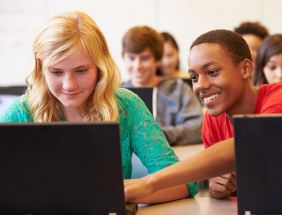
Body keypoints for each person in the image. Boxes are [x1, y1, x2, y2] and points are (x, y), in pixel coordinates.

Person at [0, 11, 198, 207]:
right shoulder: (20, 113)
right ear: (40, 69)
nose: (69, 85)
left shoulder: (127, 105)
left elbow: (185, 182)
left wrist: (124, 191)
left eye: (81, 71)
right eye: (56, 72)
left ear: (100, 67)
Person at [124, 29, 282, 201]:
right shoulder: (212, 119)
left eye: (212, 72)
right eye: (194, 77)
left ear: (246, 69)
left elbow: (250, 143)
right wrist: (219, 188)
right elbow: (231, 179)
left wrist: (150, 183)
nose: (200, 85)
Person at [121, 26, 203, 146]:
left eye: (144, 58)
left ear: (158, 60)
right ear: (124, 57)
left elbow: (197, 128)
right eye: (131, 58)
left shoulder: (179, 90)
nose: (137, 65)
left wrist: (158, 135)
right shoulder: (116, 93)